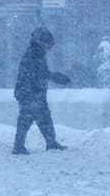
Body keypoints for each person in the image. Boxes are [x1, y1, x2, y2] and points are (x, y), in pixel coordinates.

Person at [12, 27, 71, 155]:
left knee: (41, 118)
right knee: (28, 119)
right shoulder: (34, 55)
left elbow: (38, 74)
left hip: (31, 93)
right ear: (41, 42)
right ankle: (19, 146)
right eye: (48, 44)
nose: (49, 48)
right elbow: (40, 74)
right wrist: (56, 77)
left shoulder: (36, 54)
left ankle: (49, 143)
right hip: (30, 93)